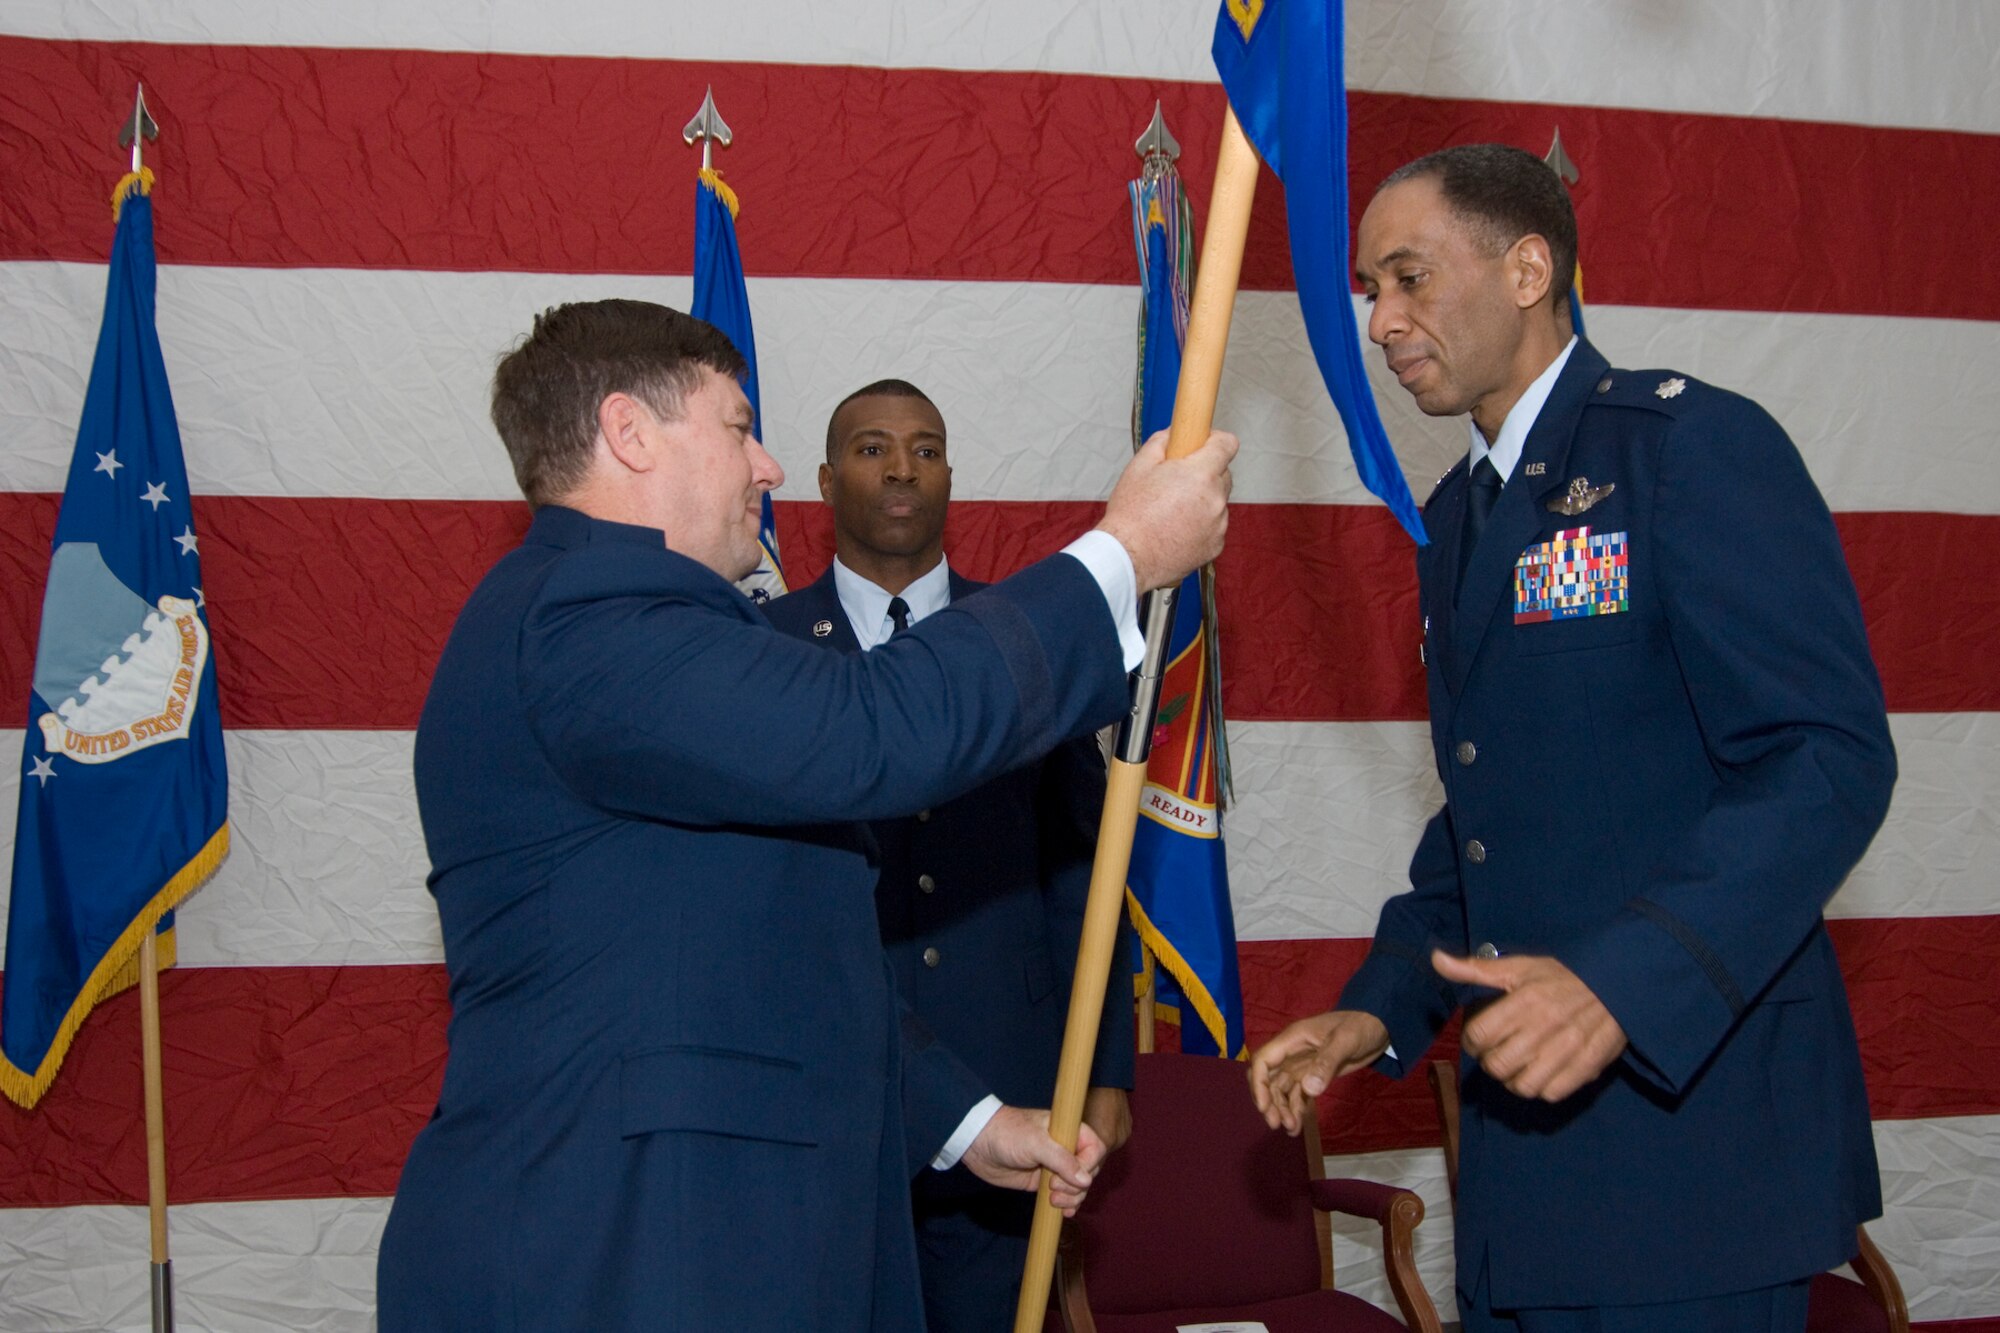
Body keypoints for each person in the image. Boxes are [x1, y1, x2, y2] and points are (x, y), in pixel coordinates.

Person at [374, 299, 1235, 1331]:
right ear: (628, 432)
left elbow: (774, 956)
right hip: (620, 1251)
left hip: (722, 1239)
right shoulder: (584, 612)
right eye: (738, 427)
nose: (768, 467)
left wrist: (965, 1124)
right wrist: (1121, 554)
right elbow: (870, 729)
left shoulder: (643, 625)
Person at [1247, 145, 1895, 1332]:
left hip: (1688, 1153)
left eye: (1407, 277)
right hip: (1525, 1166)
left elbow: (1826, 758)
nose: (1381, 322)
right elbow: (1490, 813)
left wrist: (1622, 986)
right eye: (1366, 289)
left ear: (1528, 267)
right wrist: (1379, 1006)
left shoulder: (1682, 449)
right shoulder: (1456, 521)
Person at [765, 380, 1134, 1332]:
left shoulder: (1025, 640)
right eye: (873, 447)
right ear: (823, 479)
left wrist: (1107, 1073)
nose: (900, 468)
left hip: (1008, 1084)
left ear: (951, 478)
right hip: (831, 1091)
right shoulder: (762, 651)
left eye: (925, 449)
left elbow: (1083, 874)